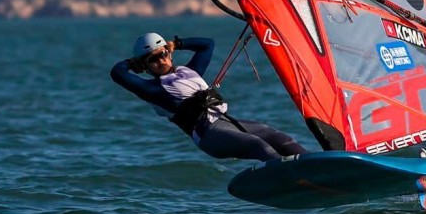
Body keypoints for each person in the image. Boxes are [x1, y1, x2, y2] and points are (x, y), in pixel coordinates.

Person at [110, 32, 308, 162]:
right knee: (256, 144)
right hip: (208, 135)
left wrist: (177, 44)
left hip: (227, 122)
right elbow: (117, 73)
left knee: (278, 137)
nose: (161, 61)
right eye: (153, 59)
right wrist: (132, 63)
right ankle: (293, 178)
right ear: (145, 66)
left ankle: (314, 165)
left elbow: (207, 45)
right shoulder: (153, 90)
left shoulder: (190, 71)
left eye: (163, 54)